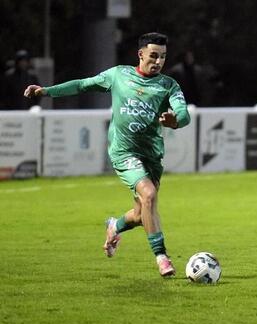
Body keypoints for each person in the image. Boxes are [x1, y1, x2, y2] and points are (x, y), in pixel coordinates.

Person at [24, 32, 190, 277]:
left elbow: (184, 113)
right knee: (149, 195)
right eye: (153, 55)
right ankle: (161, 257)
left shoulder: (168, 85)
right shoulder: (118, 75)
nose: (158, 61)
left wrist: (175, 121)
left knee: (142, 212)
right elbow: (82, 85)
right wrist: (46, 91)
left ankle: (115, 225)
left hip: (151, 155)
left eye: (163, 57)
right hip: (124, 151)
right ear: (140, 54)